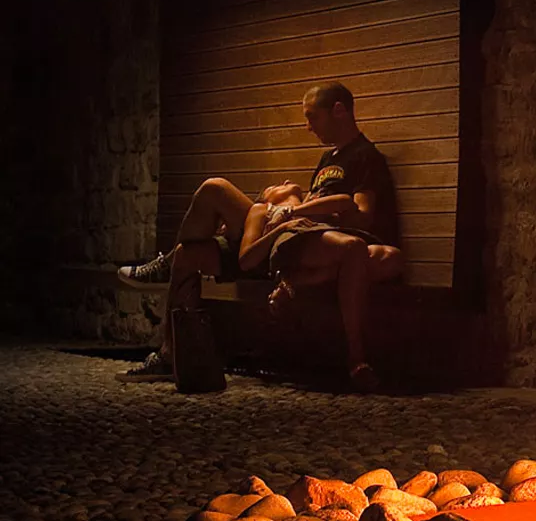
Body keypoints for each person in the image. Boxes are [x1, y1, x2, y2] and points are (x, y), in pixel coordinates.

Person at [118, 80, 399, 381]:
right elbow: (308, 204)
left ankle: (165, 266)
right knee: (190, 251)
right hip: (277, 233)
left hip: (301, 238)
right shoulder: (327, 158)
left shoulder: (365, 156)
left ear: (339, 111)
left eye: (312, 117)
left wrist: (294, 212)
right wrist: (279, 205)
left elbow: (361, 215)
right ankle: (169, 353)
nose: (308, 127)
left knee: (216, 189)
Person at [237, 182, 402, 391]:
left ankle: (299, 281)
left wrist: (294, 211)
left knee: (391, 258)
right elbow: (246, 260)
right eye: (276, 185)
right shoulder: (263, 209)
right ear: (267, 196)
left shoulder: (309, 203)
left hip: (325, 239)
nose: (286, 182)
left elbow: (345, 201)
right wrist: (282, 226)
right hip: (291, 240)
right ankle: (356, 355)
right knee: (354, 247)